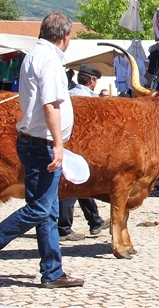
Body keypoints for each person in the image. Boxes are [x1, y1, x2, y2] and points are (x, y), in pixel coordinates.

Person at [0, 12, 84, 288]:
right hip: (42, 143)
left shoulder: (34, 54)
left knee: (48, 210)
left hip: (34, 141)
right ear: (64, 36)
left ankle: (53, 271)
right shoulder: (50, 60)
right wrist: (58, 144)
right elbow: (50, 105)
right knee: (38, 209)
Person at [58, 64, 108, 241]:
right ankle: (63, 228)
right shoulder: (88, 98)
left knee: (81, 182)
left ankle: (95, 221)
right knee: (71, 185)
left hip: (67, 142)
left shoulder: (69, 93)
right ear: (92, 80)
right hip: (81, 145)